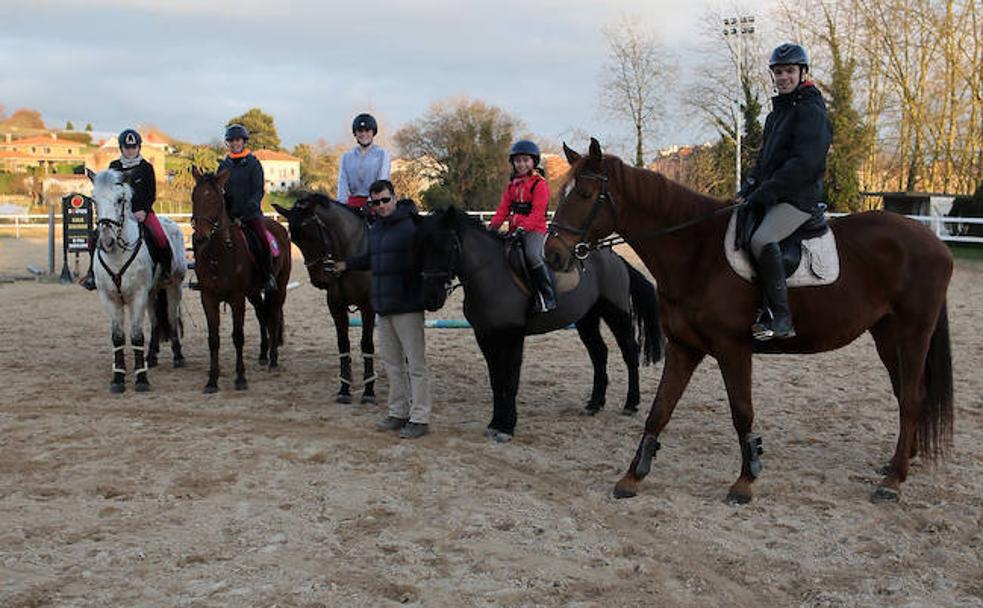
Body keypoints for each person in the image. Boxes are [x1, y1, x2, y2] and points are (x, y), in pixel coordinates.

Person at [738, 43, 832, 341]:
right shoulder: (775, 115)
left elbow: (805, 164)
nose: (783, 78)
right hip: (775, 193)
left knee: (762, 239)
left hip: (798, 198)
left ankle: (781, 317)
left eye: (789, 71)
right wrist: (749, 185)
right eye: (778, 72)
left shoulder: (811, 111)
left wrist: (766, 192)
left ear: (803, 72)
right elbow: (764, 159)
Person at [333, 180, 433, 439]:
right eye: (375, 202)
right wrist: (347, 265)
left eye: (385, 200)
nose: (381, 206)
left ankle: (420, 417)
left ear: (394, 198)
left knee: (416, 365)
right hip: (384, 306)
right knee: (392, 364)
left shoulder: (411, 227)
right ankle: (398, 412)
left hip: (408, 306)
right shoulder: (375, 230)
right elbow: (371, 259)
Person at [81, 128, 171, 290]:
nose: (130, 151)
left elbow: (151, 193)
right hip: (117, 214)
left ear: (139, 148)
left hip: (142, 212)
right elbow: (108, 191)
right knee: (93, 239)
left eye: (133, 147)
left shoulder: (146, 167)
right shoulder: (114, 166)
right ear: (121, 148)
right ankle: (92, 274)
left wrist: (143, 210)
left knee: (160, 236)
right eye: (127, 148)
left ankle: (165, 272)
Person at [489, 139, 556, 312]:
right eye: (518, 160)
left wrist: (522, 229)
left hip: (534, 230)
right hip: (514, 230)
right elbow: (502, 210)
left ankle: (547, 296)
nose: (521, 164)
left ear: (534, 161)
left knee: (532, 255)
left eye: (526, 160)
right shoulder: (512, 186)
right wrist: (491, 229)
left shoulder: (539, 185)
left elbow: (537, 213)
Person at [217, 123, 278, 294]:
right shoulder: (224, 165)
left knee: (261, 240)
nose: (235, 144)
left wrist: (246, 209)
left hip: (250, 214)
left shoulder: (253, 164)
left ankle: (267, 277)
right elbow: (218, 190)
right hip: (228, 215)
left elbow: (258, 190)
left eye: (238, 140)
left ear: (244, 142)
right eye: (231, 141)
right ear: (227, 143)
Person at [337, 113, 391, 215]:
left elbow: (382, 178)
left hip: (376, 202)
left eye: (367, 130)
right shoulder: (347, 157)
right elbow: (342, 182)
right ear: (355, 133)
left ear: (373, 132)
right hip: (353, 203)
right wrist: (341, 205)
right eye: (360, 131)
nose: (363, 134)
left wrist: (372, 201)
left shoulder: (382, 154)